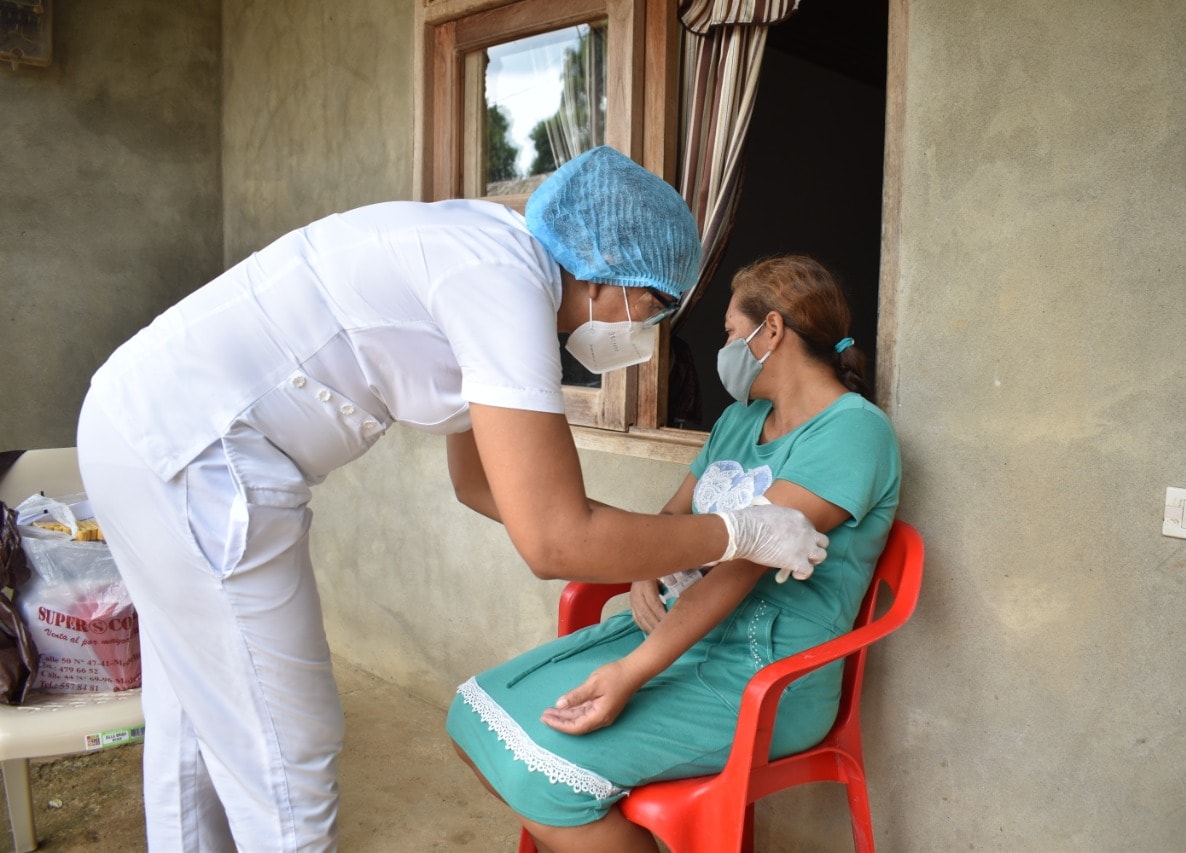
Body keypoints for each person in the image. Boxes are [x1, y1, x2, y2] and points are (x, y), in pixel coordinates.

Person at [74, 147, 829, 852]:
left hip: (142, 426)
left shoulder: (487, 251)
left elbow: (481, 486)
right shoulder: (505, 288)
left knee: (193, 718)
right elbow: (555, 540)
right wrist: (736, 532)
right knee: (285, 756)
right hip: (199, 460)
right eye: (654, 309)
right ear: (611, 278)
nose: (650, 331)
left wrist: (628, 538)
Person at [447, 254, 902, 852]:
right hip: (672, 632)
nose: (726, 348)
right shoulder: (741, 422)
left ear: (772, 331)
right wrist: (647, 570)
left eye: (731, 332)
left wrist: (632, 673)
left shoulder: (853, 433)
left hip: (764, 673)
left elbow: (738, 570)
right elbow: (672, 519)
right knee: (470, 717)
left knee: (546, 777)